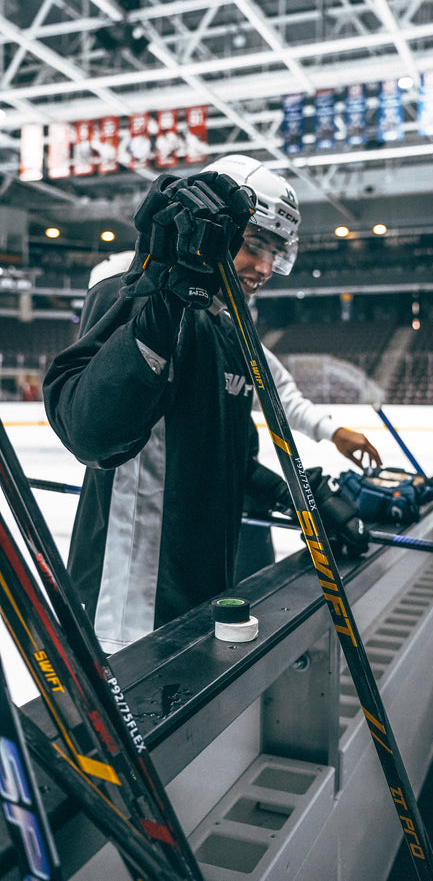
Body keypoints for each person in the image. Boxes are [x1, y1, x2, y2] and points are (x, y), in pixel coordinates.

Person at [43, 156, 370, 654]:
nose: (265, 268)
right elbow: (92, 434)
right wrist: (161, 300)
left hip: (201, 593)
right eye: (255, 244)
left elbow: (224, 462)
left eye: (276, 252)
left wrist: (302, 499)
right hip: (128, 612)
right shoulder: (133, 287)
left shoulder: (227, 322)